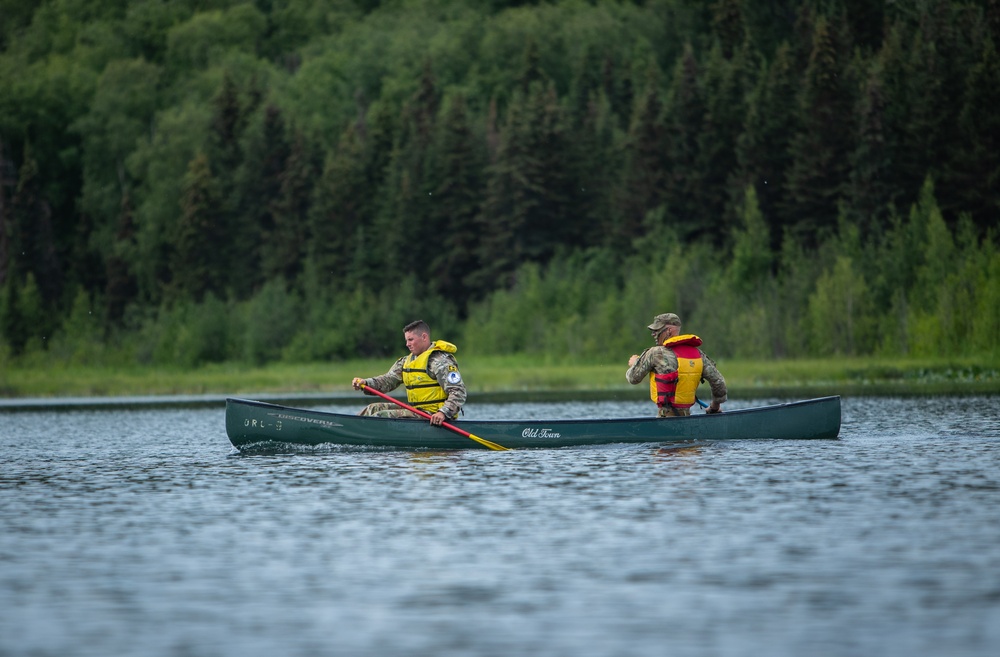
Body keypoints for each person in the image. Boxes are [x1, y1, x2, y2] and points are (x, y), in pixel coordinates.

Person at [351, 320, 466, 426]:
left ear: (424, 337)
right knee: (373, 409)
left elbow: (458, 392)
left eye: (411, 340)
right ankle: (350, 427)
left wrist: (443, 413)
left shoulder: (440, 362)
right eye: (406, 340)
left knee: (381, 417)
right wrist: (366, 383)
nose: (407, 344)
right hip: (416, 411)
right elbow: (388, 380)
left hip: (433, 415)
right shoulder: (406, 361)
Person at [626, 313, 727, 418]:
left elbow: (633, 378)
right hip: (686, 417)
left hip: (665, 419)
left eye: (657, 330)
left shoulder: (655, 353)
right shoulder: (697, 354)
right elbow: (719, 382)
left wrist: (635, 364)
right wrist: (714, 407)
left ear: (668, 331)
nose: (653, 334)